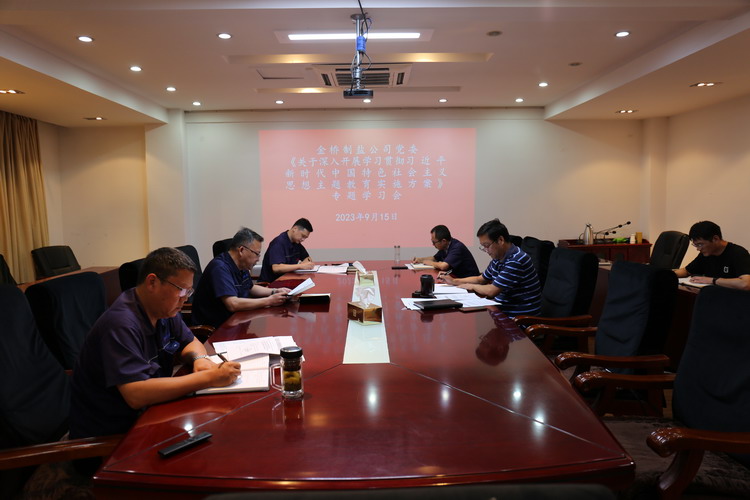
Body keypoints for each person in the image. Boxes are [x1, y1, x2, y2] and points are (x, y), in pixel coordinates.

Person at [70, 247, 241, 439]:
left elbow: (190, 340)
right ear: (152, 282)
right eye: (181, 290)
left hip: (152, 412)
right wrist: (208, 378)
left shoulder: (163, 310)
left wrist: (200, 359)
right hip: (114, 434)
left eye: (189, 290)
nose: (186, 298)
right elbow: (135, 394)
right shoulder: (121, 323)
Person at [192, 227, 291, 327]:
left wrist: (274, 291)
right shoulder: (220, 267)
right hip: (216, 327)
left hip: (237, 320)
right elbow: (232, 304)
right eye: (257, 254)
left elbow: (250, 288)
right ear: (241, 250)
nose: (258, 259)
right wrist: (269, 301)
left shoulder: (241, 265)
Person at [442, 219, 541, 317]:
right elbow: (480, 279)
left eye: (487, 245)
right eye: (483, 247)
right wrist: (454, 281)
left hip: (519, 318)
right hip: (502, 310)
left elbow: (492, 291)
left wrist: (471, 286)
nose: (486, 250)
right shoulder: (499, 257)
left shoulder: (516, 260)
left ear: (500, 240)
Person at [673, 220, 750, 290]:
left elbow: (746, 284)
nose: (698, 249)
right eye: (696, 245)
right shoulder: (706, 254)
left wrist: (712, 280)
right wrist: (669, 276)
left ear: (715, 239)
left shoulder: (738, 253)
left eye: (700, 244)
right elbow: (686, 271)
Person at [411, 224, 480, 278]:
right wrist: (420, 259)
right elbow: (435, 258)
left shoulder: (457, 247)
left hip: (470, 281)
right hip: (457, 279)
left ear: (443, 241)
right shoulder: (445, 247)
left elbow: (443, 266)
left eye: (434, 242)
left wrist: (430, 263)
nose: (433, 244)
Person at [260, 218, 315, 283]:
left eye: (305, 238)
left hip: (287, 281)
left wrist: (306, 263)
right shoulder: (278, 243)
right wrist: (301, 266)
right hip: (271, 284)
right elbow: (276, 268)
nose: (303, 239)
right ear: (295, 229)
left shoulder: (296, 243)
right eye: (302, 236)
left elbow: (307, 258)